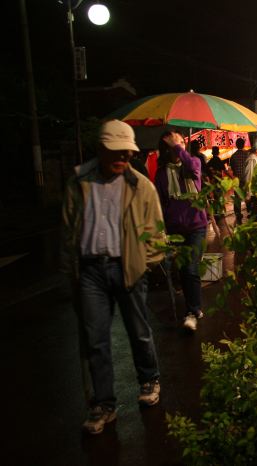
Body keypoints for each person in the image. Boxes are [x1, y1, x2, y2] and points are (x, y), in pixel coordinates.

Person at [60, 120, 165, 435]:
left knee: (139, 331)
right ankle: (103, 404)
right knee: (95, 339)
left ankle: (149, 379)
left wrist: (146, 261)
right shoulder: (79, 181)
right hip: (90, 269)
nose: (122, 158)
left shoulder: (140, 185)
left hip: (128, 265)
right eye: (115, 151)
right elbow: (68, 227)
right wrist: (70, 270)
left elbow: (156, 231)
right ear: (101, 149)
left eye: (127, 152)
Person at [154, 131, 208, 332]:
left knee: (191, 268)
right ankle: (194, 307)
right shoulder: (161, 173)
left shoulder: (193, 163)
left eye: (181, 143)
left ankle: (192, 311)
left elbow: (193, 168)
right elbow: (159, 203)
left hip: (196, 226)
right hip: (175, 229)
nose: (178, 148)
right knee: (183, 271)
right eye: (173, 145)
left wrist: (178, 146)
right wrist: (162, 230)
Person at [229, 138, 248, 224]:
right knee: (247, 195)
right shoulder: (247, 155)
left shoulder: (233, 156)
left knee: (237, 198)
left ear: (236, 145)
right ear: (243, 145)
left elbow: (232, 168)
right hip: (246, 179)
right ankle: (249, 212)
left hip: (237, 180)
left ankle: (238, 213)